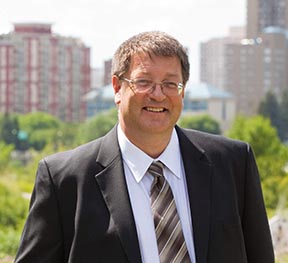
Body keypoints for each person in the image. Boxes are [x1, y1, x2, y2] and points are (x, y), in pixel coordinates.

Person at [14, 31, 274, 263]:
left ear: (182, 92)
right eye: (143, 82)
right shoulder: (64, 180)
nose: (158, 94)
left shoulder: (233, 163)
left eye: (170, 84)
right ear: (117, 87)